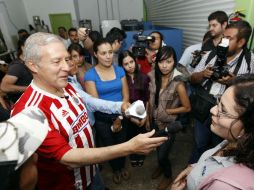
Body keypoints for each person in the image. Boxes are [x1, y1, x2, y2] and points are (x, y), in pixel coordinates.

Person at [11, 32, 167, 190]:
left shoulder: (67, 86)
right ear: (33, 65)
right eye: (57, 61)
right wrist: (129, 147)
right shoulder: (27, 111)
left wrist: (121, 107)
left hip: (91, 171)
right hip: (68, 185)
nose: (67, 67)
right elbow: (67, 157)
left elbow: (91, 101)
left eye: (66, 59)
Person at [171, 74, 254, 190]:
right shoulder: (233, 140)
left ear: (247, 128)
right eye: (218, 102)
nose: (212, 110)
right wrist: (196, 169)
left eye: (223, 110)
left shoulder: (224, 186)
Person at [189, 20, 254, 164]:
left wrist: (234, 82)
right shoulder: (210, 55)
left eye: (229, 38)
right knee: (199, 144)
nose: (223, 41)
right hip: (204, 108)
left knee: (222, 149)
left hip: (229, 118)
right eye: (223, 37)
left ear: (241, 42)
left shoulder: (251, 62)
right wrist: (202, 74)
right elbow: (191, 78)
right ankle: (193, 170)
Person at [84, 38, 130, 184]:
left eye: (110, 52)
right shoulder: (90, 75)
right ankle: (116, 169)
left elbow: (126, 95)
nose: (108, 56)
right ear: (96, 54)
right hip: (103, 120)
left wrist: (120, 117)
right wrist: (113, 118)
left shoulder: (120, 70)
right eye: (103, 53)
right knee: (110, 147)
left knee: (122, 144)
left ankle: (122, 167)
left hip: (122, 115)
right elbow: (96, 104)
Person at [148, 46, 191, 190]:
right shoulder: (153, 76)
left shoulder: (178, 83)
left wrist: (169, 110)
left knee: (162, 154)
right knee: (157, 149)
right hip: (153, 121)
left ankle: (168, 176)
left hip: (167, 126)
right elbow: (150, 99)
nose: (165, 66)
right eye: (161, 62)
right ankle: (161, 166)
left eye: (169, 61)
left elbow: (187, 107)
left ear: (174, 62)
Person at [118, 50, 150, 167]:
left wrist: (146, 116)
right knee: (130, 137)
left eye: (131, 62)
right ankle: (133, 156)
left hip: (141, 113)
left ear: (135, 61)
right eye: (126, 64)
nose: (130, 66)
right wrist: (130, 116)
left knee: (141, 136)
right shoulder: (121, 80)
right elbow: (121, 99)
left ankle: (141, 155)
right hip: (127, 114)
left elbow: (147, 98)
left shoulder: (144, 77)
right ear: (121, 66)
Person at [1, 35, 32, 104]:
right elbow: (4, 86)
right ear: (23, 47)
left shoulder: (30, 61)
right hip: (24, 104)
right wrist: (29, 89)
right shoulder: (17, 66)